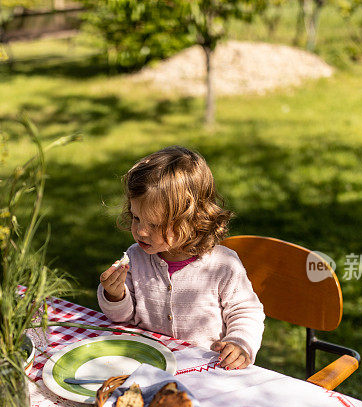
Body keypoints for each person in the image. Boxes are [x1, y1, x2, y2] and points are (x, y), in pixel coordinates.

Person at [97, 146, 265, 370]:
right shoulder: (135, 258)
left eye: (155, 224)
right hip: (148, 365)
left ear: (192, 219)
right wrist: (115, 295)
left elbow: (246, 311)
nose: (141, 231)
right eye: (137, 218)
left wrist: (239, 342)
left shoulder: (222, 265)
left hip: (205, 367)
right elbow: (122, 318)